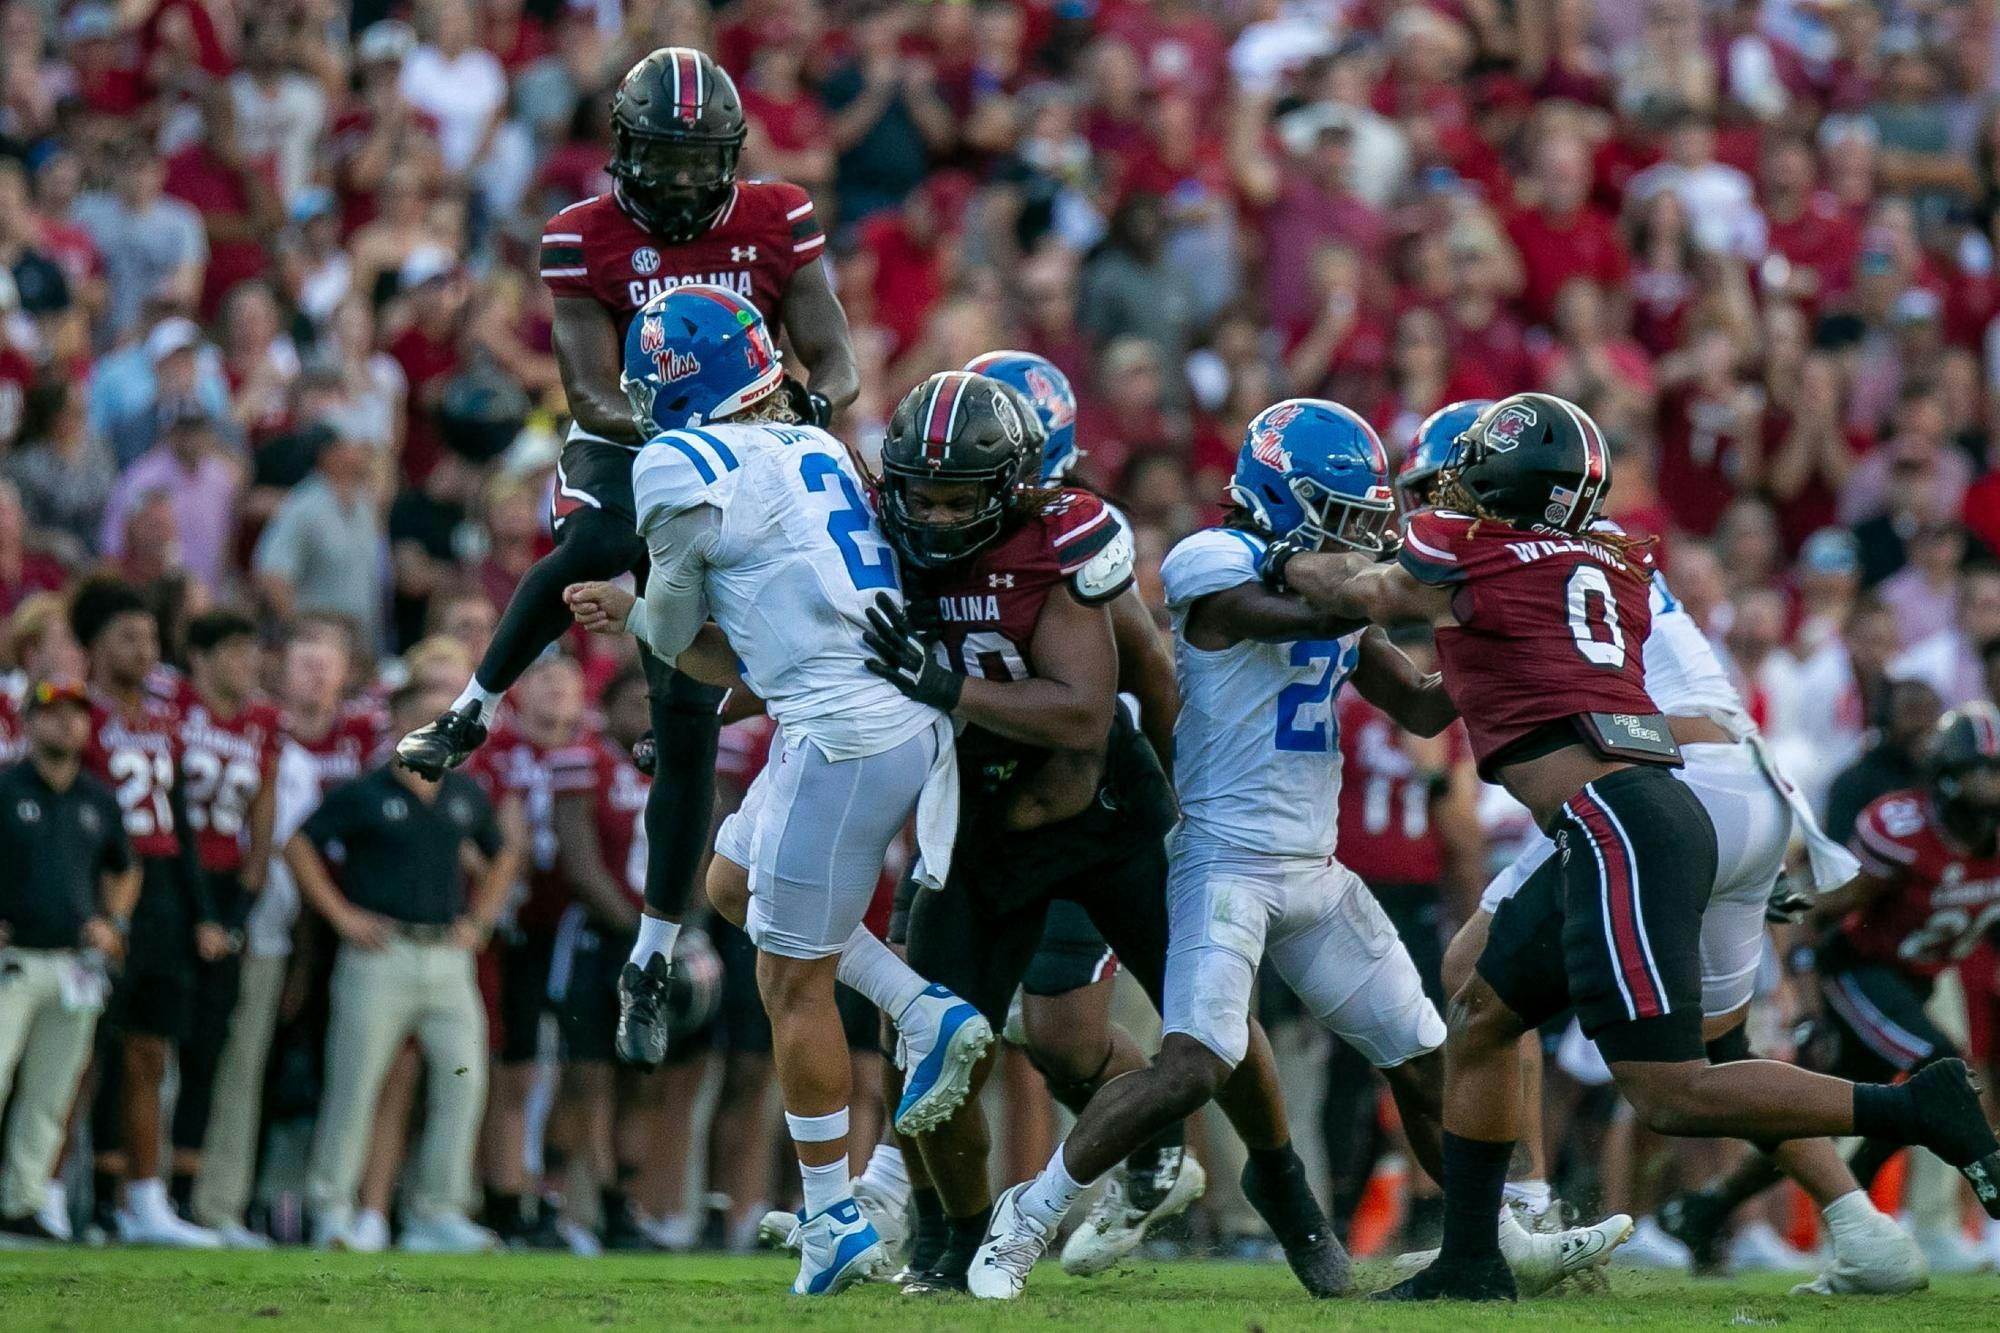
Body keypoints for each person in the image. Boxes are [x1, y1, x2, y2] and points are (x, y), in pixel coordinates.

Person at [1256, 392, 2000, 1300]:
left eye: (1457, 479)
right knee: (1485, 1007)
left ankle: (1917, 1106)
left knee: (1669, 1088)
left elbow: (1370, 589)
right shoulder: (1614, 559)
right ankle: (1475, 1259)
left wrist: (1282, 555)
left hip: (1623, 821)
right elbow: (1476, 665)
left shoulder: (1471, 550)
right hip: (1676, 799)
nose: (1438, 498)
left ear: (1497, 480)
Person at [967, 401, 1625, 1300]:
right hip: (1222, 859)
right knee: (1195, 1064)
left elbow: (1427, 705)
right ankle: (1028, 1214)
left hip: (1315, 869)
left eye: (1367, 517)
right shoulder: (1212, 557)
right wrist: (1400, 583)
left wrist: (1507, 632)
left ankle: (1495, 1235)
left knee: (1427, 1063)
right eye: (1342, 512)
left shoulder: (1332, 586)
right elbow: (1288, 615)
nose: (1362, 533)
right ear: (1280, 493)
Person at [397, 50, 863, 1073]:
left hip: (753, 445)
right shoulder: (582, 235)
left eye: (704, 161)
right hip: (637, 445)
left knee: (685, 714)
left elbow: (833, 356)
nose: (689, 181)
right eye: (668, 158)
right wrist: (679, 430)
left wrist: (803, 410)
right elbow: (588, 391)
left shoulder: (778, 215)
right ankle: (468, 707)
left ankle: (653, 955)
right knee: (599, 539)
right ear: (624, 149)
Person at [855, 371, 1324, 1298]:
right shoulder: (874, 537)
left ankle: (1288, 1193)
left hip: (1106, 816)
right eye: (921, 493)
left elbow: (1082, 709)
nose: (936, 516)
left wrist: (943, 686)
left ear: (1010, 488)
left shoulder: (1063, 536)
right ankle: (953, 1238)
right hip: (979, 829)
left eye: (958, 498)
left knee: (1211, 1021)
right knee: (927, 1047)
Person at [561, 284, 982, 1296]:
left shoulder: (679, 460)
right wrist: (644, 619)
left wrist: (628, 610)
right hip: (872, 717)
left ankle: (831, 1215)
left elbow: (671, 634)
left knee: (790, 982)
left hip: (840, 732)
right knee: (728, 884)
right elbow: (732, 649)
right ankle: (920, 1011)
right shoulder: (811, 444)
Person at [1651, 705, 2000, 1278]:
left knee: (1826, 1113)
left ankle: (1705, 1208)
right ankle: (1868, 1218)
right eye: (1983, 770)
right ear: (1949, 773)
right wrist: (1806, 998)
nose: (1992, 785)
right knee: (1939, 1070)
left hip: (1912, 986)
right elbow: (1814, 913)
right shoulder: (1907, 832)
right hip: (1856, 974)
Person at [288, 677, 522, 1253]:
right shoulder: (365, 792)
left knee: (463, 1080)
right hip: (380, 952)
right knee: (355, 1084)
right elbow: (299, 844)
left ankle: (437, 1210)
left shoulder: (464, 793)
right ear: (395, 725)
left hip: (446, 953)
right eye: (423, 719)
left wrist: (480, 919)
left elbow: (503, 855)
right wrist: (342, 915)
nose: (436, 730)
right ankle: (331, 1208)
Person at [70, 577, 225, 1247]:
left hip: (160, 886)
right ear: (95, 646)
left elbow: (183, 822)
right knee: (86, 1049)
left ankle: (143, 1196)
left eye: (151, 637)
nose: (145, 650)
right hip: (102, 883)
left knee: (150, 1048)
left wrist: (202, 909)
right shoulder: (80, 714)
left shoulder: (164, 718)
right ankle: (77, 1195)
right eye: (128, 637)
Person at [0, 679, 136, 1241]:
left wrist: (116, 922)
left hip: (75, 963)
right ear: (29, 721)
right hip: (13, 960)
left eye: (78, 715)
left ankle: (22, 1200)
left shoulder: (97, 798)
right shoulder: (6, 788)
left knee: (53, 1092)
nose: (68, 724)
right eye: (55, 714)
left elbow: (124, 867)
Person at [164, 610, 282, 1229]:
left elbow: (261, 828)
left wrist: (233, 916)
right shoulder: (174, 706)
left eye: (252, 651)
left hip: (227, 890)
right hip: (169, 888)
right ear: (202, 658)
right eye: (235, 651)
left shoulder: (263, 723)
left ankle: (184, 1199)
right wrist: (200, 915)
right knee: (150, 1043)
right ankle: (124, 1192)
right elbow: (173, 809)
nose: (249, 664)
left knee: (209, 1052)